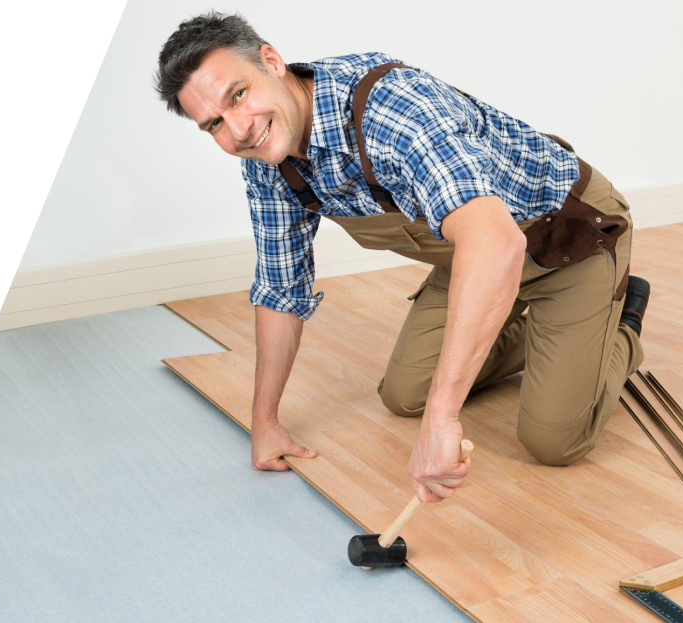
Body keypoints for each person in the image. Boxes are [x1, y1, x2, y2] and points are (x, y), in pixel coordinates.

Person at [154, 11, 650, 504]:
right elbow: (282, 290)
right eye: (214, 123)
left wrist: (444, 417)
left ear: (272, 60)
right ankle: (528, 323)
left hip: (570, 238)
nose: (238, 130)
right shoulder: (270, 160)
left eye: (238, 95)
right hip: (475, 257)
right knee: (403, 394)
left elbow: (497, 243)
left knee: (553, 441)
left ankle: (621, 324)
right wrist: (264, 422)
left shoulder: (391, 107)